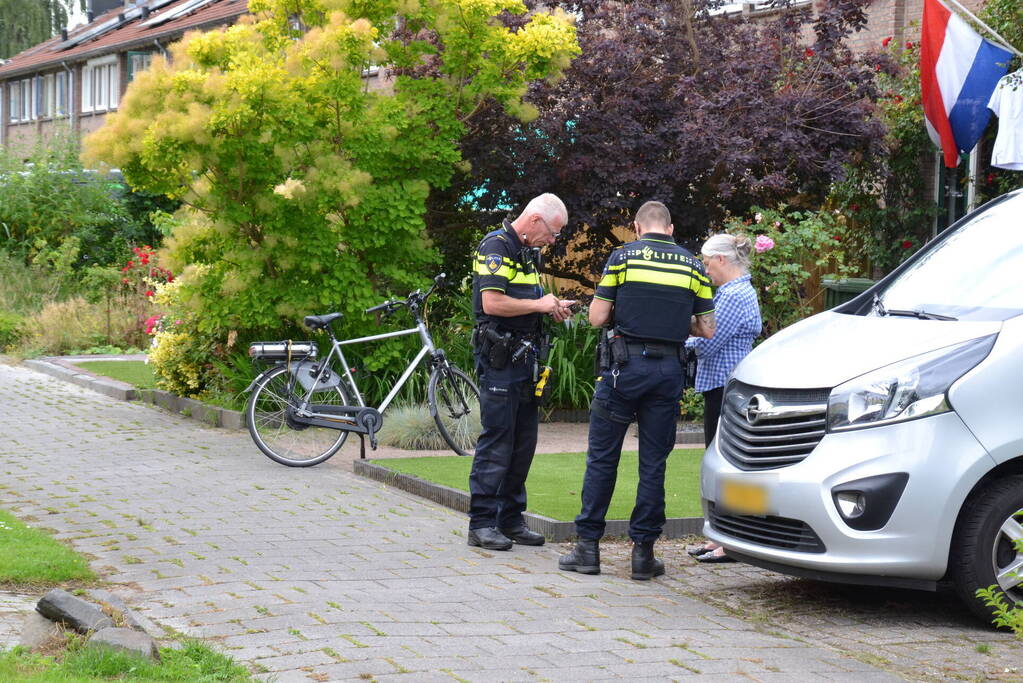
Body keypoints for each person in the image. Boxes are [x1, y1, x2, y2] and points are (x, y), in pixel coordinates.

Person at [559, 201, 715, 579]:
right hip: (668, 373)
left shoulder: (622, 257)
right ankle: (643, 555)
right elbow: (707, 328)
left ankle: (587, 550)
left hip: (623, 370)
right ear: (671, 227)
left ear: (637, 226)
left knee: (602, 459)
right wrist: (677, 321)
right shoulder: (693, 265)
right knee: (653, 463)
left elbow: (597, 316)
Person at [467, 193, 575, 551]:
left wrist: (552, 308)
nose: (554, 240)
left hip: (525, 361)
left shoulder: (528, 253)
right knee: (498, 440)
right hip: (501, 360)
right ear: (534, 221)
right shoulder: (496, 247)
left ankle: (511, 519)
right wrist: (540, 303)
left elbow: (528, 302)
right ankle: (481, 523)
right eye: (554, 232)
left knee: (523, 444)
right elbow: (491, 302)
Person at [685, 233, 762, 563]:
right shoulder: (740, 291)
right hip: (732, 388)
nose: (705, 270)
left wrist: (677, 339)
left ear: (720, 260)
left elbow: (707, 342)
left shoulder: (732, 296)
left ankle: (728, 542)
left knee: (725, 466)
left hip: (725, 388)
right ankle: (722, 537)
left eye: (705, 262)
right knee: (727, 465)